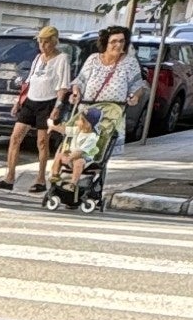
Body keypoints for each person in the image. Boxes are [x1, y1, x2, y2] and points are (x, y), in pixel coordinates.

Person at [47, 23, 142, 199]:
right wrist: (76, 92)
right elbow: (80, 81)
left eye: (122, 41)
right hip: (86, 112)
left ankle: (89, 188)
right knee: (69, 143)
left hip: (111, 115)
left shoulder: (130, 63)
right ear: (106, 43)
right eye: (114, 41)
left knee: (100, 151)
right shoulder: (93, 59)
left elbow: (137, 86)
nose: (118, 45)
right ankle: (61, 182)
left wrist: (134, 97)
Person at [0, 23, 70, 192]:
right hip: (31, 101)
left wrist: (57, 107)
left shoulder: (61, 59)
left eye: (46, 42)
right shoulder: (38, 58)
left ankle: (40, 180)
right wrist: (18, 102)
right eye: (40, 42)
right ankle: (9, 177)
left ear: (54, 42)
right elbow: (29, 81)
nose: (43, 45)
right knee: (15, 138)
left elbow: (63, 86)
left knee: (42, 142)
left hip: (47, 102)